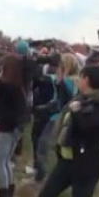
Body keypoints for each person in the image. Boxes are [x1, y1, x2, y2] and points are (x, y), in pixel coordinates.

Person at [28, 66, 99, 197]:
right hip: (66, 162)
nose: (79, 80)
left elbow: (90, 127)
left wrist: (77, 112)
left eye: (81, 77)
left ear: (88, 80)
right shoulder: (79, 99)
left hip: (88, 165)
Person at [0, 54, 27, 197]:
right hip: (16, 129)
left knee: (0, 162)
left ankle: (4, 196)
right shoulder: (19, 87)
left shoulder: (4, 87)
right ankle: (9, 192)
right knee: (6, 161)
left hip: (6, 128)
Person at [35, 53, 79, 182]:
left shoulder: (66, 82)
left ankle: (44, 176)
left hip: (58, 119)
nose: (57, 67)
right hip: (68, 119)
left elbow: (62, 101)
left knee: (44, 146)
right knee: (59, 148)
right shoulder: (76, 80)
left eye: (59, 65)